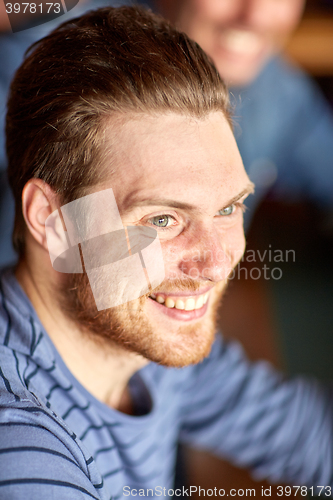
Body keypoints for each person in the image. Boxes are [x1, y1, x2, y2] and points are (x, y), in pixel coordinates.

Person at [0, 6, 332, 499]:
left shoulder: (144, 337)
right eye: (161, 219)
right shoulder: (23, 452)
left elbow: (304, 435)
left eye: (229, 207)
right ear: (53, 219)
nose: (218, 263)